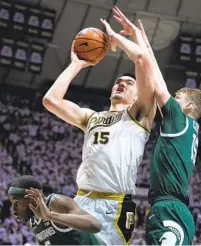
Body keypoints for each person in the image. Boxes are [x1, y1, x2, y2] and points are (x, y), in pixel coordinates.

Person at [42, 8, 157, 245]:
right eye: (118, 82)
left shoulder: (139, 115)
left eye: (129, 83)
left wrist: (123, 40)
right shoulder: (91, 117)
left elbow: (143, 61)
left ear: (138, 95)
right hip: (80, 200)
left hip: (113, 206)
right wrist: (76, 65)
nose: (121, 85)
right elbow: (51, 101)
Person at [111, 6, 201, 245]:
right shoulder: (187, 129)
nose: (171, 99)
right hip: (171, 208)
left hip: (170, 209)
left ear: (187, 107)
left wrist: (139, 40)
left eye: (178, 98)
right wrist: (142, 40)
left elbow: (156, 83)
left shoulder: (180, 120)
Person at [8, 175, 101, 245]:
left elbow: (95, 225)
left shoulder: (56, 203)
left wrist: (50, 215)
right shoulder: (33, 222)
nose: (13, 210)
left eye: (17, 203)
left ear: (32, 199)